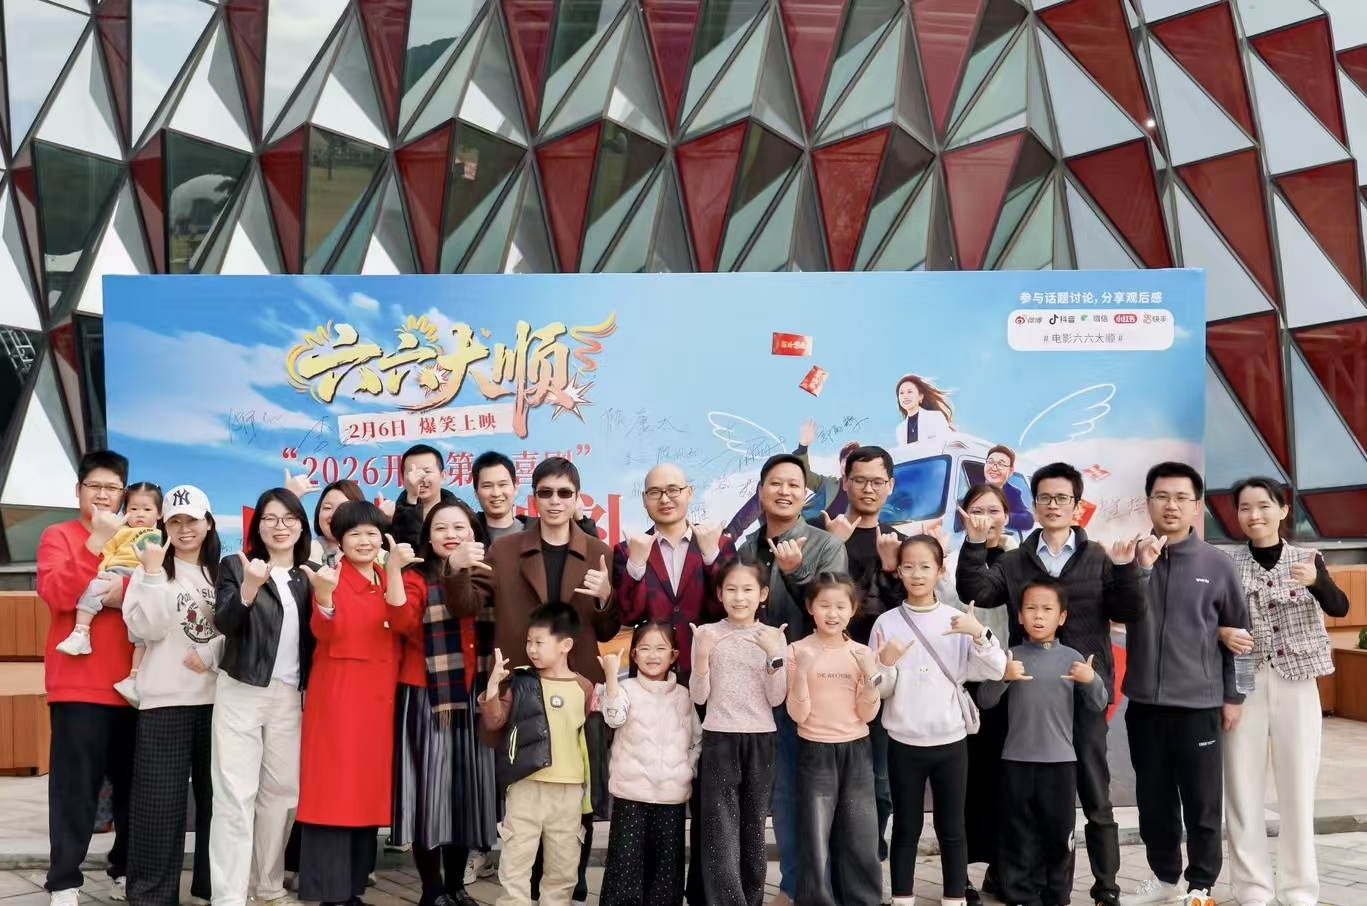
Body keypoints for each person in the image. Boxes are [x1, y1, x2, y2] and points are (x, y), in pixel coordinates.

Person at [956, 461, 1146, 906]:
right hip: (1028, 694)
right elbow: (977, 591)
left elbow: (1129, 611)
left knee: (1095, 794)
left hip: (1082, 692)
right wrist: (974, 543)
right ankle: (1017, 881)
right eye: (1045, 497)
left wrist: (1125, 569)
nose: (1053, 505)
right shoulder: (1014, 560)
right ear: (1035, 504)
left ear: (1077, 506)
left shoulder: (1099, 557)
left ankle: (1106, 885)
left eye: (1063, 498)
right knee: (1021, 797)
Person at [483, 457, 618, 905]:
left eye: (564, 493)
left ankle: (567, 890)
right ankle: (519, 894)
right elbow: (469, 605)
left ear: (578, 499)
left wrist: (605, 598)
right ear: (533, 498)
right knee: (524, 799)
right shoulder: (505, 550)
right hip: (523, 686)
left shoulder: (599, 551)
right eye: (546, 492)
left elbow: (607, 629)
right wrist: (455, 568)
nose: (555, 501)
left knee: (575, 796)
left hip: (577, 690)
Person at [1122, 461, 1248, 906]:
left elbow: (1241, 635)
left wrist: (1233, 696)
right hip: (1144, 704)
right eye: (1162, 496)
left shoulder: (1218, 564)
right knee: (1153, 800)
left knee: (1202, 802)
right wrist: (1137, 568)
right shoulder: (1131, 559)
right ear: (1148, 502)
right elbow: (1118, 609)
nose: (1171, 505)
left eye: (1181, 498)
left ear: (1196, 506)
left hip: (1199, 705)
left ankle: (1201, 884)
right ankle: (1164, 877)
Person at [1220, 477, 1348, 906]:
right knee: (1242, 788)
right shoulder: (1226, 563)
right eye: (1244, 508)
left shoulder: (1309, 557)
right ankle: (1252, 889)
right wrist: (1222, 633)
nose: (1253, 515)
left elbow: (1339, 607)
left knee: (1298, 787)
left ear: (1282, 510)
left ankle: (1298, 890)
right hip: (1244, 682)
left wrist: (1316, 580)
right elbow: (1209, 617)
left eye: (1263, 506)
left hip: (1298, 682)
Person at [613, 463, 732, 906]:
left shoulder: (718, 543)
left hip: (708, 679)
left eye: (673, 489)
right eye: (654, 492)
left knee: (708, 789)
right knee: (653, 782)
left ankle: (702, 891)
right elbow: (628, 614)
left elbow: (729, 605)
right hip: (653, 684)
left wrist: (712, 557)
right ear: (644, 498)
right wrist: (637, 564)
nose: (665, 499)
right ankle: (647, 891)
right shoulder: (629, 549)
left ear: (689, 492)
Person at [294, 502, 420, 906]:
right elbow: (324, 631)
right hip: (339, 700)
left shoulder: (386, 576)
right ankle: (330, 893)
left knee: (365, 793)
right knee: (334, 793)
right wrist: (324, 597)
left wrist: (395, 570)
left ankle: (351, 888)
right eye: (354, 534)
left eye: (371, 533)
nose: (364, 541)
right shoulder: (331, 576)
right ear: (340, 539)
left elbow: (404, 623)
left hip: (379, 703)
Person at [871, 535, 1006, 906]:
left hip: (950, 741)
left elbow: (995, 670)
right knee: (906, 828)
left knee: (952, 828)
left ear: (940, 570)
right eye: (908, 566)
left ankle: (954, 899)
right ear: (898, 571)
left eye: (925, 566)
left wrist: (979, 633)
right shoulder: (886, 623)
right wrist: (886, 662)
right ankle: (902, 899)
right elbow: (878, 689)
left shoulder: (956, 619)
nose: (917, 574)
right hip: (904, 742)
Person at [737, 453, 847, 906]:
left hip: (814, 688)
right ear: (760, 491)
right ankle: (793, 884)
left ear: (805, 495)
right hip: (760, 687)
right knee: (778, 793)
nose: (784, 491)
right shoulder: (746, 548)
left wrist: (796, 572)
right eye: (775, 483)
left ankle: (817, 887)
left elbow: (833, 610)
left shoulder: (826, 545)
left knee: (816, 793)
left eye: (793, 485)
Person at [39, 450, 138, 906]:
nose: (102, 494)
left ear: (123, 493)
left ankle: (126, 869)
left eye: (111, 488)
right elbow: (58, 594)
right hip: (79, 684)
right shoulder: (58, 535)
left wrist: (123, 589)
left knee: (135, 790)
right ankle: (64, 881)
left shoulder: (139, 536)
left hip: (137, 685)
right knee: (74, 790)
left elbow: (156, 590)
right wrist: (96, 542)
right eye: (94, 486)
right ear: (78, 490)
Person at [211, 488, 317, 906]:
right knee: (235, 796)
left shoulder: (310, 575)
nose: (280, 526)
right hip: (242, 689)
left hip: (289, 696)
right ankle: (229, 896)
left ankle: (268, 886)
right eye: (270, 518)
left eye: (289, 518)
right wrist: (249, 589)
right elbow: (225, 623)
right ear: (257, 526)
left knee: (282, 796)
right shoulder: (235, 566)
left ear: (302, 526)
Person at [807, 446, 904, 892]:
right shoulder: (820, 531)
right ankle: (826, 880)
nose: (868, 489)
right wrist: (835, 547)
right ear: (844, 481)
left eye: (877, 481)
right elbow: (810, 599)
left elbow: (905, 613)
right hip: (823, 685)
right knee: (823, 792)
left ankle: (868, 875)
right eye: (859, 479)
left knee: (878, 786)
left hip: (876, 684)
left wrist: (891, 568)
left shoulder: (898, 541)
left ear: (890, 486)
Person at [977, 578, 1108, 906]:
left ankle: (1056, 894)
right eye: (1031, 609)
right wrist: (1004, 676)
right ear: (1019, 616)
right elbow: (985, 700)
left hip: (1060, 763)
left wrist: (1090, 679)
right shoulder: (1010, 656)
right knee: (1017, 831)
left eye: (1047, 609)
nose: (1038, 615)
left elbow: (1098, 704)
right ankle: (1020, 893)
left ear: (1061, 617)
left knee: (1059, 834)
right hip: (1016, 761)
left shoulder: (1072, 657)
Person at [121, 485, 224, 906]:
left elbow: (240, 628)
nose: (184, 529)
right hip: (164, 702)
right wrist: (150, 574)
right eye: (175, 521)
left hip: (218, 703)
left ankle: (212, 888)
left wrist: (211, 653)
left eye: (192, 520)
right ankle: (151, 895)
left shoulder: (223, 572)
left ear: (208, 523)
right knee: (158, 806)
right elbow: (147, 630)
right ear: (164, 525)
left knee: (218, 805)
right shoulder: (149, 572)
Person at [394, 499, 499, 906]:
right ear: (428, 536)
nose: (450, 535)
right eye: (440, 528)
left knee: (464, 795)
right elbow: (403, 625)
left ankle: (456, 885)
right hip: (428, 696)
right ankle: (431, 890)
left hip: (474, 694)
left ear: (475, 533)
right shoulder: (415, 576)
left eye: (460, 527)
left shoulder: (486, 573)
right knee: (430, 796)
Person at [478, 604, 598, 906]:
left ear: (565, 645)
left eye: (539, 642)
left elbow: (588, 740)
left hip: (568, 790)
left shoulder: (584, 688)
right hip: (525, 785)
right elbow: (494, 721)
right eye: (528, 641)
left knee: (563, 867)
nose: (531, 649)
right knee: (516, 862)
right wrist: (492, 687)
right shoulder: (521, 682)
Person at [690, 558, 788, 906]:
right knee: (720, 827)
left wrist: (774, 656)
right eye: (731, 589)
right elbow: (699, 696)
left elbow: (777, 697)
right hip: (719, 736)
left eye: (747, 589)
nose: (739, 597)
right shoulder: (706, 633)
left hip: (761, 738)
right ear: (719, 594)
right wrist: (702, 656)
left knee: (753, 825)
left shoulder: (774, 636)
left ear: (763, 594)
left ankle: (752, 897)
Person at [788, 574, 885, 906]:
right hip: (814, 750)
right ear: (810, 607)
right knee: (815, 837)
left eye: (841, 606)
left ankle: (864, 900)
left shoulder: (862, 653)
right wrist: (801, 672)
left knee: (861, 833)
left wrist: (870, 679)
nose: (832, 613)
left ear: (853, 609)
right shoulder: (797, 651)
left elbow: (867, 714)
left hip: (857, 750)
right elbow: (798, 714)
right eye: (824, 605)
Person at [937, 483, 1014, 900]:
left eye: (994, 510)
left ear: (1007, 516)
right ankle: (958, 877)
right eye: (977, 510)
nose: (986, 518)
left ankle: (1002, 872)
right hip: (962, 689)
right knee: (960, 787)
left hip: (1010, 684)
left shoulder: (1022, 560)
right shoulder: (950, 563)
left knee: (1005, 785)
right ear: (964, 516)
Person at [598, 621, 702, 906]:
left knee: (665, 871)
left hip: (671, 798)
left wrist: (687, 769)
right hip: (631, 796)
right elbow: (614, 718)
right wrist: (611, 679)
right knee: (625, 867)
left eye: (660, 648)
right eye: (644, 648)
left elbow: (697, 739)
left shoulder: (684, 695)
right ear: (633, 655)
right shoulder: (626, 689)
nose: (652, 655)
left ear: (674, 655)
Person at [55, 481, 163, 706]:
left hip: (145, 579)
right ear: (125, 510)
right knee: (93, 588)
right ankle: (81, 632)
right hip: (117, 572)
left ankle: (134, 679)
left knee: (142, 636)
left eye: (147, 509)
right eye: (133, 509)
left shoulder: (164, 536)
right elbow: (106, 553)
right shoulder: (118, 532)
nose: (140, 514)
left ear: (160, 513)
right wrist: (102, 573)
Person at [386, 444, 457, 548]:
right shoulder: (391, 517)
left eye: (427, 471)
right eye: (412, 472)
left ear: (442, 476)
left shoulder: (462, 513)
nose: (419, 479)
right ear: (402, 479)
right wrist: (386, 523)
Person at [309, 479, 364, 567]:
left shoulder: (374, 552)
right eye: (327, 508)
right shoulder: (305, 553)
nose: (334, 514)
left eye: (343, 507)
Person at [980, 445, 1033, 536]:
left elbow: (1028, 519)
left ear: (1010, 471)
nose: (994, 468)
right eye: (991, 462)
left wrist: (1004, 518)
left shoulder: (1013, 492)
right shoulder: (970, 482)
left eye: (1000, 464)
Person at [892, 374, 954, 445]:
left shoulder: (935, 417)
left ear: (920, 396)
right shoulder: (900, 429)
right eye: (901, 393)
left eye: (910, 392)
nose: (905, 396)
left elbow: (947, 443)